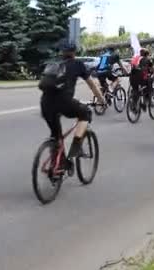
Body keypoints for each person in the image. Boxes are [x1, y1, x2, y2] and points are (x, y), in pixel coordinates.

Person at [39, 43, 106, 176]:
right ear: (74, 52)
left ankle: (56, 166)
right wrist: (101, 100)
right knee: (85, 112)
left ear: (62, 52)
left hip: (45, 103)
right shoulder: (78, 64)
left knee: (56, 136)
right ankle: (76, 148)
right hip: (64, 102)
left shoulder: (54, 64)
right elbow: (92, 85)